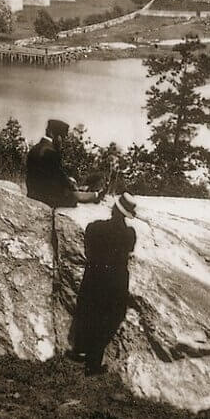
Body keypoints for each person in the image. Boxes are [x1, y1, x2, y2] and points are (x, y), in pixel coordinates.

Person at [70, 192, 137, 375]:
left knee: (89, 311)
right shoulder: (129, 234)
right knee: (109, 318)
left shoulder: (95, 227)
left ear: (114, 208)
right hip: (116, 281)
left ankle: (80, 350)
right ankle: (93, 361)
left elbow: (88, 250)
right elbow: (128, 252)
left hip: (94, 276)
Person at [26, 119, 100, 208]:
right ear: (55, 135)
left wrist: (68, 181)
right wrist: (70, 184)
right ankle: (95, 195)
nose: (63, 140)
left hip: (32, 192)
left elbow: (53, 173)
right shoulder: (50, 152)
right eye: (63, 137)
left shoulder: (36, 148)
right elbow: (58, 176)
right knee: (73, 197)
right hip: (45, 197)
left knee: (72, 192)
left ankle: (90, 194)